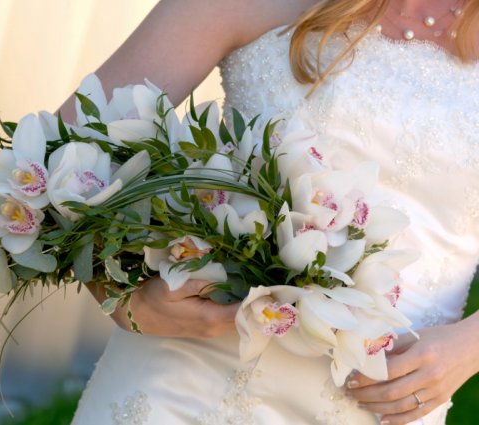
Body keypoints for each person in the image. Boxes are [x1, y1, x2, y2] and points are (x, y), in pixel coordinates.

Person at [58, 1, 479, 424]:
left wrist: (469, 347)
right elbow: (58, 153)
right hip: (179, 384)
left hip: (380, 397)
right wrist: (117, 294)